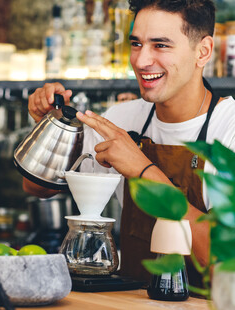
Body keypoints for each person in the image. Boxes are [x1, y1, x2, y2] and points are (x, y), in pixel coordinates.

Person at [24, 0, 235, 287]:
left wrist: (143, 170)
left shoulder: (229, 129)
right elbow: (37, 187)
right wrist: (52, 126)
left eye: (160, 45)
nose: (141, 60)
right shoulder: (121, 118)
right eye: (136, 44)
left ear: (203, 51)